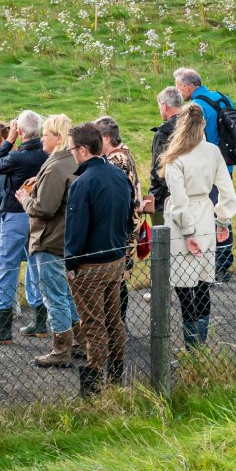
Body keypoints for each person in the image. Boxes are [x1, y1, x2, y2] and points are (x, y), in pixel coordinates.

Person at [63, 122, 135, 396]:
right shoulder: (118, 175)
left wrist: (71, 263)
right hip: (115, 259)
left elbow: (76, 228)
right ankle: (116, 376)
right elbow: (129, 214)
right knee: (114, 319)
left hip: (90, 264)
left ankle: (93, 384)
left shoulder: (83, 183)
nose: (71, 154)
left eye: (71, 149)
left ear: (82, 150)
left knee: (93, 324)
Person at [159, 104, 236, 349]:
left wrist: (188, 232)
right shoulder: (212, 152)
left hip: (183, 221)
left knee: (185, 285)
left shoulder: (174, 157)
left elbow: (180, 200)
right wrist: (222, 219)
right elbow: (227, 189)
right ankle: (199, 342)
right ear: (202, 125)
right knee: (203, 281)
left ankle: (192, 345)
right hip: (205, 212)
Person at [24, 114, 82, 367]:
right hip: (65, 238)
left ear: (57, 138)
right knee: (66, 294)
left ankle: (61, 350)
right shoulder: (71, 162)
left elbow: (45, 207)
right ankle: (79, 341)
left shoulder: (57, 166)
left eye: (46, 134)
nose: (41, 139)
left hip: (49, 238)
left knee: (53, 295)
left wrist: (25, 200)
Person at [0, 110, 47, 343]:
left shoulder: (18, 157)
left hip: (15, 213)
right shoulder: (46, 154)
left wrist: (9, 139)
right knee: (36, 265)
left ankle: (2, 328)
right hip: (39, 214)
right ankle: (40, 321)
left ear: (21, 131)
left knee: (7, 266)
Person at [176, 67, 236, 282]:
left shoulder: (197, 107)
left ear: (187, 86)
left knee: (209, 215)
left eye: (179, 87)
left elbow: (194, 139)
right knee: (224, 212)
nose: (179, 92)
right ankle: (225, 261)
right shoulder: (223, 98)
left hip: (207, 169)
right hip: (227, 165)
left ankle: (212, 265)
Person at [96, 115, 145, 383]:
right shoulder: (123, 154)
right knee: (120, 276)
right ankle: (118, 324)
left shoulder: (116, 160)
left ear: (105, 138)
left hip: (123, 228)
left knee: (119, 278)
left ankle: (118, 324)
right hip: (127, 224)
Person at [149, 86, 185, 211]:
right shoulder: (195, 128)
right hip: (194, 196)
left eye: (159, 106)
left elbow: (158, 171)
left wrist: (153, 198)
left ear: (164, 106)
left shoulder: (163, 134)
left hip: (167, 200)